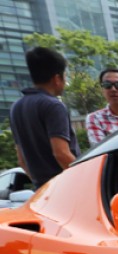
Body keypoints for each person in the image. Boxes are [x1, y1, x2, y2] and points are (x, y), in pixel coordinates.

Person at [8, 47, 79, 188]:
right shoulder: (53, 105)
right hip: (65, 187)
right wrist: (84, 179)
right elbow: (61, 153)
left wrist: (41, 185)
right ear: (57, 78)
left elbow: (21, 160)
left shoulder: (16, 107)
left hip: (42, 191)